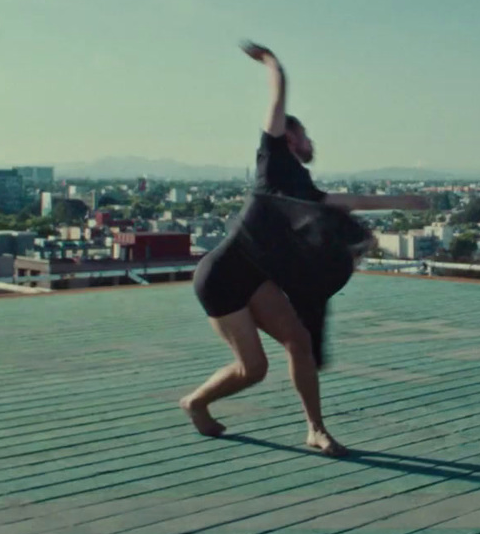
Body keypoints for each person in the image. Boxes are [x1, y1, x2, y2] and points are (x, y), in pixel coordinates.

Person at [181, 41, 429, 456]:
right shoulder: (272, 160)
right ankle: (196, 402)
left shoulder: (301, 187)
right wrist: (271, 63)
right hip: (221, 280)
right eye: (305, 134)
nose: (311, 139)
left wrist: (404, 202)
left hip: (256, 278)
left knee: (298, 339)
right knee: (254, 369)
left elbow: (345, 202)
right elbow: (278, 98)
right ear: (290, 136)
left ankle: (315, 429)